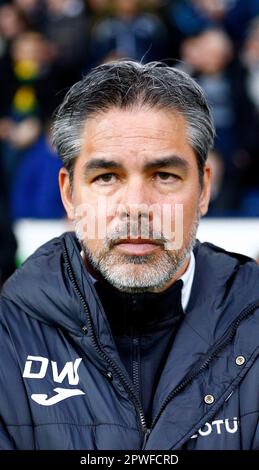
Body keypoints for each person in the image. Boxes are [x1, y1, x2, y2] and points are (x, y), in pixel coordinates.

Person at [1, 60, 259, 451]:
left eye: (164, 175)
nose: (137, 205)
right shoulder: (8, 338)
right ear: (70, 195)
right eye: (106, 177)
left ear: (204, 189)